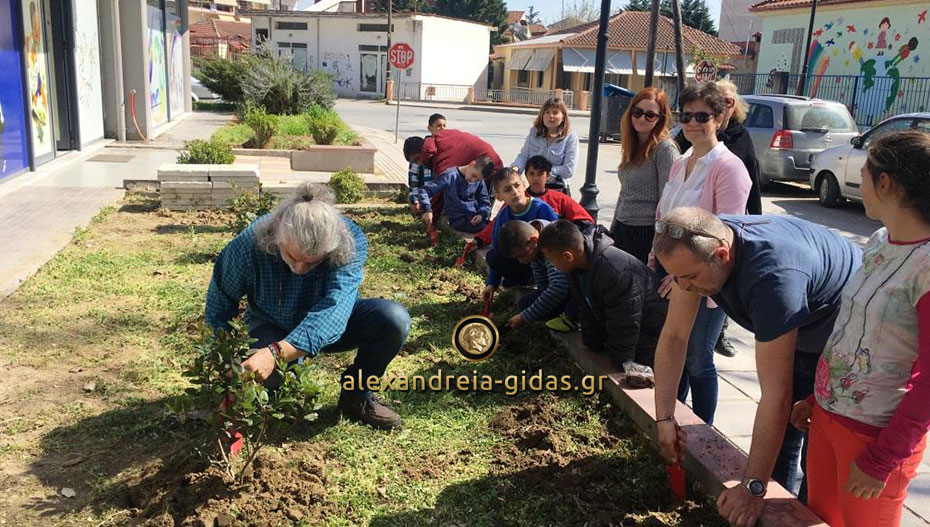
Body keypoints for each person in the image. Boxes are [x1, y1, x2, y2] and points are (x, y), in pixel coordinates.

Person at [652, 207, 861, 526]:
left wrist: (751, 488)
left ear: (722, 255)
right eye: (676, 276)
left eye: (690, 277)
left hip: (849, 341)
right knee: (780, 443)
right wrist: (665, 417)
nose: (683, 287)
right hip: (803, 320)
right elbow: (674, 337)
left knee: (817, 452)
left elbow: (775, 395)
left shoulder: (772, 278)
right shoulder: (703, 248)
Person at [788, 131, 930, 527]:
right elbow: (855, 330)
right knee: (820, 517)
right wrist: (818, 398)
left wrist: (883, 458)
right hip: (830, 419)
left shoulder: (926, 265)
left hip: (875, 437)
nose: (860, 178)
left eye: (865, 171)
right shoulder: (881, 241)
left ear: (886, 183)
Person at [205, 183, 412, 430]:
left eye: (313, 262)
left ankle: (357, 396)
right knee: (270, 382)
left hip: (334, 324)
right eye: (292, 257)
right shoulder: (251, 242)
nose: (301, 269)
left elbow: (334, 309)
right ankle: (269, 392)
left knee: (393, 320)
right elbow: (221, 299)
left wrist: (275, 354)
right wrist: (226, 358)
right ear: (277, 232)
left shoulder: (350, 240)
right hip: (271, 324)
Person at [653, 82, 751, 427]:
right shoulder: (681, 162)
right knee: (676, 349)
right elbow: (665, 213)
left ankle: (703, 431)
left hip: (707, 280)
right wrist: (660, 258)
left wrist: (680, 274)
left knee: (698, 358)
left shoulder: (729, 167)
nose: (693, 122)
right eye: (686, 115)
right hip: (677, 274)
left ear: (719, 117)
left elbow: (727, 231)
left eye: (702, 116)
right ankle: (674, 419)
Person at [540, 219, 668, 376]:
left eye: (551, 259)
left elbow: (625, 321)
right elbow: (586, 308)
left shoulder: (614, 271)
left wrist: (622, 362)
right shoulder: (575, 269)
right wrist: (593, 344)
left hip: (652, 334)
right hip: (631, 332)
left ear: (568, 256)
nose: (552, 265)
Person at [610, 87, 679, 265]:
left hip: (646, 233)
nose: (642, 118)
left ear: (660, 118)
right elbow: (624, 193)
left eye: (650, 115)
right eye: (637, 112)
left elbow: (668, 202)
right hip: (622, 228)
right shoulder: (631, 146)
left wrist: (657, 246)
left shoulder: (665, 149)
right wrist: (612, 230)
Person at [481, 168, 559, 308]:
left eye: (517, 185)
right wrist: (492, 283)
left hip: (546, 262)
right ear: (499, 197)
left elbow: (559, 240)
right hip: (522, 259)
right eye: (507, 190)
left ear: (524, 185)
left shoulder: (542, 209)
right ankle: (521, 281)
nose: (515, 192)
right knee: (493, 256)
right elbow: (497, 246)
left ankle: (543, 284)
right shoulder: (503, 215)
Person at [497, 219, 575, 332]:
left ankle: (571, 315)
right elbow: (542, 284)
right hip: (564, 286)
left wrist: (524, 317)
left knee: (526, 306)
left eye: (522, 255)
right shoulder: (534, 246)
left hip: (576, 289)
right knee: (525, 303)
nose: (521, 261)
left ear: (533, 240)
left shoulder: (551, 244)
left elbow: (559, 287)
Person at [511, 97, 578, 195]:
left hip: (557, 189)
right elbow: (524, 155)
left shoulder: (570, 137)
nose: (551, 116)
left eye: (555, 113)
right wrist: (516, 169)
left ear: (563, 117)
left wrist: (543, 172)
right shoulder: (534, 132)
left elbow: (569, 170)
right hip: (535, 188)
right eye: (547, 112)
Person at [413, 155, 494, 234]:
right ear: (471, 164)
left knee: (495, 226)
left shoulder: (479, 181)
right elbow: (425, 190)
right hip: (457, 219)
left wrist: (481, 214)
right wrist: (427, 209)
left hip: (474, 217)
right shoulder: (450, 176)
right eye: (474, 176)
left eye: (477, 180)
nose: (473, 180)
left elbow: (485, 202)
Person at [404, 129, 502, 179]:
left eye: (417, 159)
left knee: (482, 208)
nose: (420, 163)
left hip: (489, 167)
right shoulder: (438, 139)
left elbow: (441, 189)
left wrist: (430, 214)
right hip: (477, 168)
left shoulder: (441, 158)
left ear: (422, 151)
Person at [407, 114, 448, 216]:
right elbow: (414, 182)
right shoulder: (420, 150)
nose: (442, 129)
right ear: (430, 128)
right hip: (425, 201)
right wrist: (415, 201)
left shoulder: (446, 150)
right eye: (439, 126)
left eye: (444, 126)